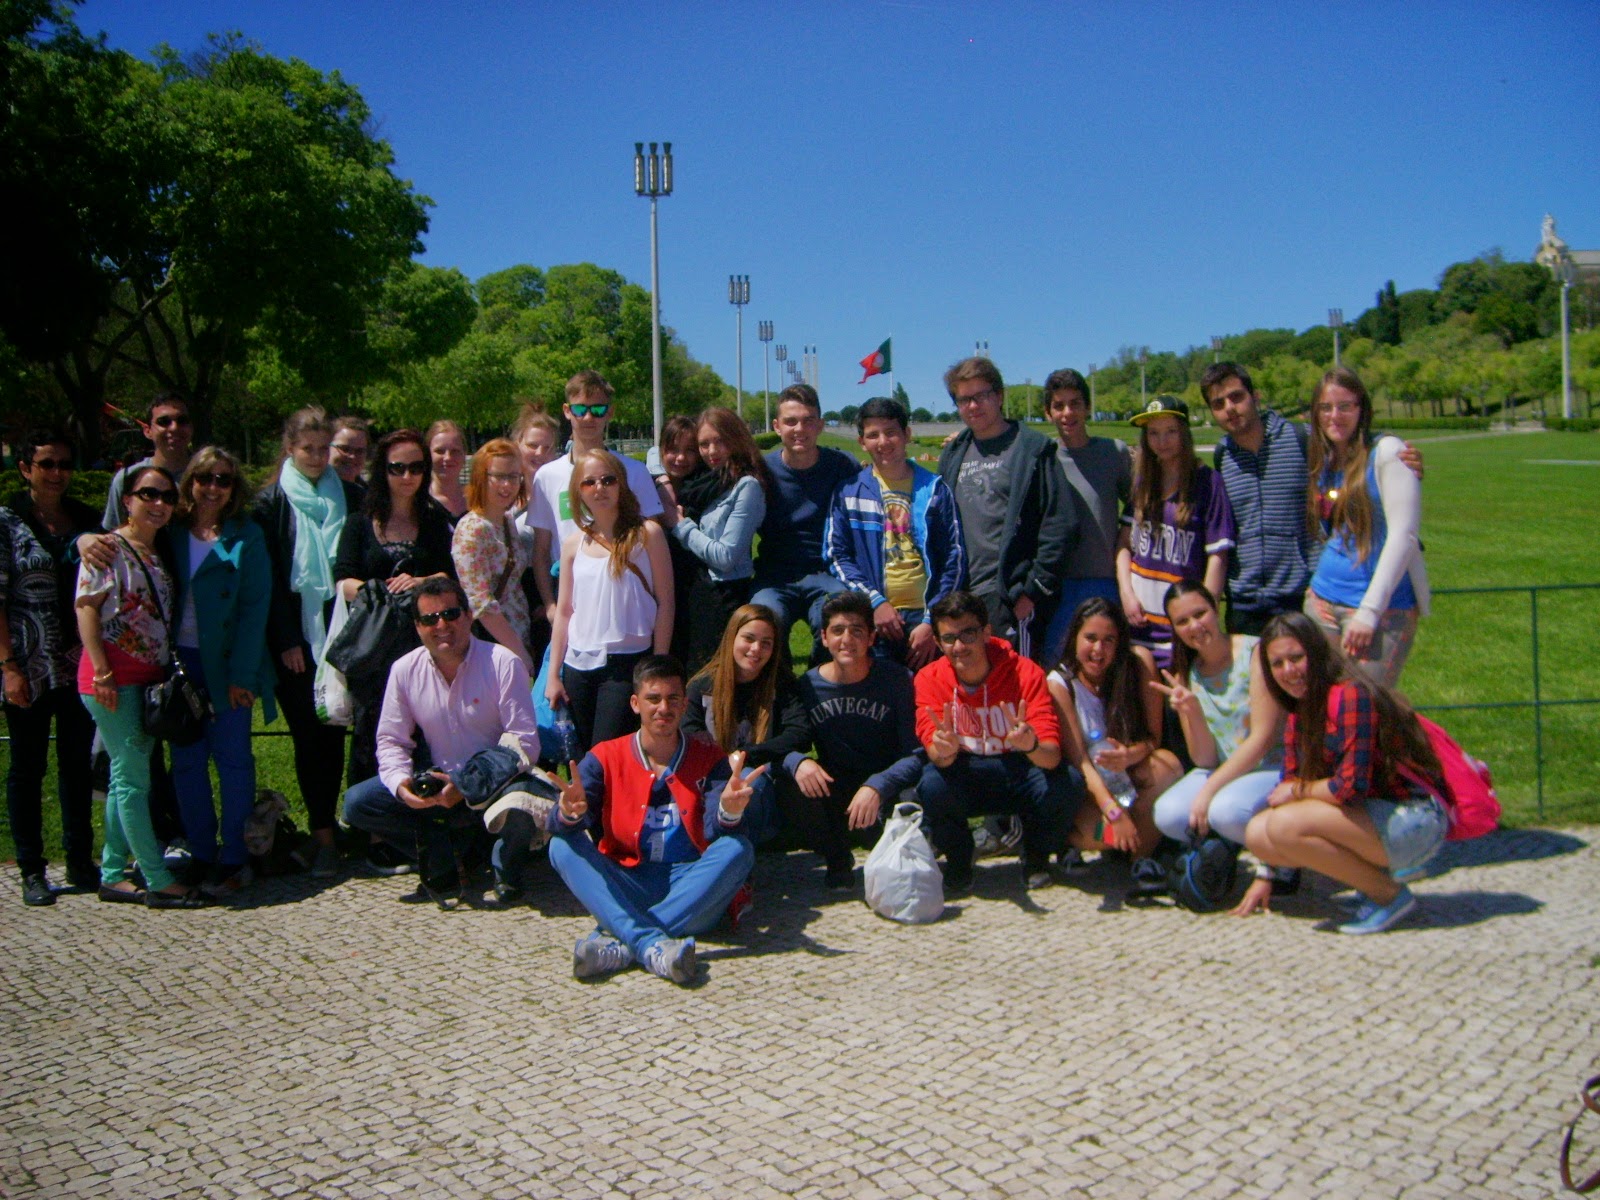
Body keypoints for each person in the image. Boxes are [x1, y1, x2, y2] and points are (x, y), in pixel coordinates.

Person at [546, 654, 765, 984]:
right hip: (627, 878)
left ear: (685, 704)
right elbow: (563, 820)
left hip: (689, 884)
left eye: (673, 699)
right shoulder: (605, 756)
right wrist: (567, 812)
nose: (664, 708)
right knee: (561, 846)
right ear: (635, 704)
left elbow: (716, 830)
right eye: (653, 698)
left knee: (738, 848)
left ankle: (621, 942)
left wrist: (729, 810)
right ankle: (651, 944)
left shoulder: (709, 757)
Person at [342, 578, 545, 904]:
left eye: (450, 614)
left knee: (521, 803)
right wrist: (402, 784)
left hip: (494, 784)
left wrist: (465, 784)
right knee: (357, 803)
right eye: (429, 619)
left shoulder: (503, 662)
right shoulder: (404, 670)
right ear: (417, 627)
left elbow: (523, 743)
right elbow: (392, 740)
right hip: (437, 783)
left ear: (469, 615)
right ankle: (447, 857)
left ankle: (504, 866)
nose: (441, 626)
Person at [1244, 611, 1448, 934]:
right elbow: (1290, 787)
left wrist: (1298, 791)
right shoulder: (1299, 713)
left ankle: (1389, 895)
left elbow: (1350, 786)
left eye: (1296, 658)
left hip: (1413, 819)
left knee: (1284, 825)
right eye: (1277, 664)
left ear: (1316, 653)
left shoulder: (1351, 695)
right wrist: (1264, 875)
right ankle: (1371, 885)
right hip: (1370, 814)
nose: (1289, 671)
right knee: (1258, 833)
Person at [1201, 361, 1423, 635]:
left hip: (1299, 594)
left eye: (1236, 397)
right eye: (1218, 403)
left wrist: (1396, 457)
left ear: (1255, 397)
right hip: (1245, 600)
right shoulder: (1223, 455)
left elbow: (1353, 447)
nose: (1230, 408)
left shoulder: (1301, 438)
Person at [77, 465, 206, 908]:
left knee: (124, 778)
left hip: (145, 678)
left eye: (167, 496)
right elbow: (86, 608)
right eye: (148, 494)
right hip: (112, 679)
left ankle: (113, 873)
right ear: (127, 499)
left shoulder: (154, 551)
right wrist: (102, 672)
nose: (159, 503)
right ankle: (156, 877)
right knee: (133, 781)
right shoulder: (107, 548)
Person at [252, 406, 359, 878]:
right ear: (289, 448)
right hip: (295, 640)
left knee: (336, 734)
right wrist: (286, 639)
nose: (316, 457)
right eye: (307, 449)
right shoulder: (271, 503)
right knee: (308, 738)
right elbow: (270, 578)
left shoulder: (350, 496)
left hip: (343, 635)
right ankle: (321, 833)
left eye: (322, 449)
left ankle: (341, 827)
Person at [914, 589, 1075, 893]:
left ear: (987, 633)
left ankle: (1036, 857)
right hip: (965, 766)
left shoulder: (1025, 672)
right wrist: (944, 750)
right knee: (932, 785)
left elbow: (1052, 755)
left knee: (1068, 783)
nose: (959, 646)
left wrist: (1030, 744)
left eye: (968, 634)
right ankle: (959, 859)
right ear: (937, 642)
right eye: (949, 638)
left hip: (1020, 764)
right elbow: (936, 753)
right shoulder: (928, 678)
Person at [168, 448, 274, 897]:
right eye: (205, 478)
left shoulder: (246, 535)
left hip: (229, 663)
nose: (213, 487)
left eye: (224, 480)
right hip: (179, 663)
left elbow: (254, 609)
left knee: (233, 761)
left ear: (234, 488)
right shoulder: (171, 531)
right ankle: (199, 851)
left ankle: (234, 855)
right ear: (190, 481)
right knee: (187, 762)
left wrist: (242, 675)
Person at [3, 430, 101, 904]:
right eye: (46, 464)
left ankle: (80, 857)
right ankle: (31, 867)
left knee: (77, 764)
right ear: (26, 468)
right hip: (28, 662)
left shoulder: (85, 519)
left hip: (77, 661)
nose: (56, 473)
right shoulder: (7, 521)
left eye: (64, 464)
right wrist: (8, 667)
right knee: (28, 766)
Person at [335, 428, 458, 789]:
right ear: (382, 470)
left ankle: (421, 802)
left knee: (423, 728)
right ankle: (368, 810)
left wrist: (420, 583)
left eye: (416, 468)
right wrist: (378, 590)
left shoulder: (434, 521)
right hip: (374, 645)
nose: (407, 476)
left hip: (422, 644)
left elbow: (450, 575)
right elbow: (342, 580)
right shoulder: (359, 522)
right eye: (397, 468)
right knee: (371, 731)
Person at [1148, 582, 1286, 894]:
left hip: (1269, 766)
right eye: (1182, 621)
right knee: (1168, 815)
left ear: (1216, 610)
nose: (1194, 626)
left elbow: (1262, 739)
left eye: (1200, 614)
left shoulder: (1255, 653)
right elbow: (1205, 758)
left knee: (1225, 811)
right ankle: (1223, 850)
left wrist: (1209, 790)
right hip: (1226, 772)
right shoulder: (1188, 673)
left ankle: (1282, 857)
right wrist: (1192, 712)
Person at [937, 357, 1076, 663]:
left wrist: (1032, 591)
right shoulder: (954, 453)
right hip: (963, 595)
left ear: (999, 396)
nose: (973, 406)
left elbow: (1059, 525)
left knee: (1015, 681)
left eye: (982, 395)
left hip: (1009, 595)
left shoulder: (1032, 449)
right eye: (964, 399)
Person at [783, 591, 923, 889]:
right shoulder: (807, 686)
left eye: (857, 631)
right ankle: (836, 857)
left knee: (921, 791)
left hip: (886, 784)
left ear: (872, 637)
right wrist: (799, 762)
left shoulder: (897, 680)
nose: (847, 639)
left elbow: (915, 753)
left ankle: (895, 850)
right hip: (836, 786)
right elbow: (786, 744)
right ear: (824, 638)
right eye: (837, 631)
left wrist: (878, 785)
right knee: (793, 783)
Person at [1303, 366, 1429, 687]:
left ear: (1362, 408)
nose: (1335, 416)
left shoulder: (1387, 452)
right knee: (1327, 704)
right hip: (1322, 601)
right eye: (1326, 407)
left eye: (1345, 406)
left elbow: (1404, 536)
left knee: (1366, 705)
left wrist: (1369, 612)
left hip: (1381, 610)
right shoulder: (1326, 459)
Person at [545, 448, 674, 755]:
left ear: (621, 484)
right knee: (582, 757)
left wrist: (657, 667)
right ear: (578, 491)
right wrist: (553, 675)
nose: (599, 488)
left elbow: (666, 603)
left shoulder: (647, 534)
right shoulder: (573, 544)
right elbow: (564, 612)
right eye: (589, 482)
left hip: (627, 663)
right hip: (578, 664)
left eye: (608, 480)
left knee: (607, 753)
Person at [1047, 598, 1182, 883]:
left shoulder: (1138, 664)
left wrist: (1131, 755)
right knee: (1095, 834)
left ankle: (1139, 859)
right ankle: (1122, 839)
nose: (1098, 649)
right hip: (1093, 791)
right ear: (1075, 638)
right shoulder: (1060, 683)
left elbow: (1153, 739)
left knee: (1168, 766)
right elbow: (1080, 761)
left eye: (1108, 640)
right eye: (1090, 638)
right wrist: (1112, 811)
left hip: (1130, 777)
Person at [826, 396, 965, 670]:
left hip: (926, 618)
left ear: (907, 435)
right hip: (873, 617)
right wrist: (875, 602)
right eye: (873, 435)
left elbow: (954, 557)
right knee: (880, 693)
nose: (883, 442)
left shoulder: (935, 489)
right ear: (862, 442)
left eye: (891, 432)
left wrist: (933, 619)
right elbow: (836, 555)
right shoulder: (849, 492)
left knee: (928, 693)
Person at [526, 371, 664, 627]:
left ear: (610, 412)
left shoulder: (635, 472)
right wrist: (550, 606)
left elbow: (651, 544)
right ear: (567, 411)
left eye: (598, 409)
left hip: (623, 593)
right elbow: (541, 550)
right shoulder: (547, 476)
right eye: (580, 409)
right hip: (569, 597)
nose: (589, 418)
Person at [1116, 396, 1236, 669]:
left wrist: (1202, 616)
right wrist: (1126, 593)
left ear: (1184, 433)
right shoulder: (1144, 481)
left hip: (1181, 626)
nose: (1162, 440)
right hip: (1138, 620)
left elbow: (1218, 556)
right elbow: (1124, 543)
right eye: (1153, 433)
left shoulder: (1207, 482)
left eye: (1171, 431)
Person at [682, 603, 809, 846]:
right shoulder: (701, 687)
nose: (756, 649)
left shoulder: (781, 685)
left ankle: (736, 849)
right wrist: (723, 762)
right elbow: (689, 735)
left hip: (760, 785)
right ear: (732, 638)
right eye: (749, 639)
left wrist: (746, 755)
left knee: (750, 779)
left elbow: (799, 733)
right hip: (712, 782)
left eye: (766, 643)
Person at [749, 383, 859, 655]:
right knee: (763, 624)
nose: (800, 429)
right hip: (774, 575)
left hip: (826, 573)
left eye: (808, 421)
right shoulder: (761, 471)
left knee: (839, 622)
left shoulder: (843, 466)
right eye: (791, 421)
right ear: (777, 427)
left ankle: (820, 677)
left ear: (820, 425)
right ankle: (778, 680)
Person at [657, 407, 769, 673]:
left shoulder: (746, 486)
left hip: (723, 594)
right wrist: (662, 480)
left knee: (711, 676)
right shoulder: (703, 482)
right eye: (704, 444)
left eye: (719, 441)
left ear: (736, 438)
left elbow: (725, 557)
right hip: (692, 592)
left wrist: (679, 524)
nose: (711, 451)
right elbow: (659, 455)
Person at [1039, 368, 1131, 663]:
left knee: (1104, 663)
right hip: (1058, 583)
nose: (1068, 412)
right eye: (1059, 405)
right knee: (1057, 664)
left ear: (1088, 407)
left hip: (1102, 578)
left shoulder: (1113, 453)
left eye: (1075, 403)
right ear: (1048, 412)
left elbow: (1137, 507)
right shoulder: (1042, 457)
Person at [452, 438, 536, 673]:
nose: (507, 485)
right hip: (492, 648)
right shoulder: (471, 529)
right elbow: (480, 604)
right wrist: (520, 653)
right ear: (481, 477)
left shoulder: (506, 520)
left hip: (519, 634)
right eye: (498, 476)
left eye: (513, 476)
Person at [653, 414, 704, 665]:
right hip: (656, 591)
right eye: (673, 450)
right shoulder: (647, 487)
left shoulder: (705, 488)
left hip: (694, 588)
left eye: (690, 450)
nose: (681, 458)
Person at [102, 392, 194, 529]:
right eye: (164, 422)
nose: (174, 427)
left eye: (182, 421)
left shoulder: (209, 479)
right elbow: (113, 533)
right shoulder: (127, 479)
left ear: (191, 428)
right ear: (147, 431)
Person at [426, 419, 469, 523]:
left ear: (464, 455)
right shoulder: (418, 504)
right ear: (427, 455)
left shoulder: (480, 501)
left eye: (455, 451)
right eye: (440, 451)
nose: (448, 457)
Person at [330, 416, 372, 489]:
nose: (352, 456)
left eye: (359, 451)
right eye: (345, 449)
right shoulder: (311, 490)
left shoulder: (368, 493)